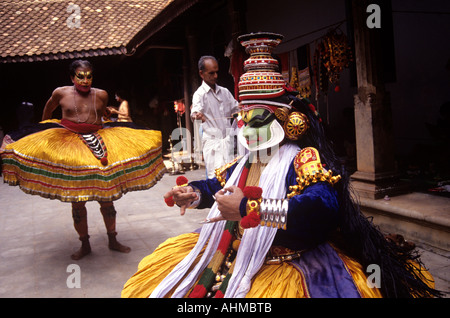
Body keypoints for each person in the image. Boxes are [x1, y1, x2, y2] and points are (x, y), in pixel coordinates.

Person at [122, 33, 441, 298]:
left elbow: (319, 210)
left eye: (255, 118)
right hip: (234, 252)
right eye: (242, 117)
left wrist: (249, 207)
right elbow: (222, 185)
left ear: (287, 119)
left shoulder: (304, 159)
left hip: (285, 261)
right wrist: (195, 193)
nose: (246, 127)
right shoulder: (249, 156)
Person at [1, 60, 166, 260]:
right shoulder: (60, 93)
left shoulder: (102, 94)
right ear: (72, 77)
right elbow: (48, 110)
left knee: (107, 196)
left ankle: (113, 239)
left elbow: (102, 113)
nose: (85, 80)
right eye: (81, 76)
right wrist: (45, 130)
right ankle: (85, 244)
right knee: (78, 200)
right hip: (69, 144)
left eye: (89, 76)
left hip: (99, 140)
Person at [191, 56, 240, 178]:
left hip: (228, 142)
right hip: (213, 144)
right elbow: (195, 112)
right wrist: (197, 116)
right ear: (201, 74)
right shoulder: (199, 95)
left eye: (216, 72)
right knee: (215, 179)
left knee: (230, 178)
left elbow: (237, 109)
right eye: (211, 73)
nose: (216, 76)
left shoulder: (225, 92)